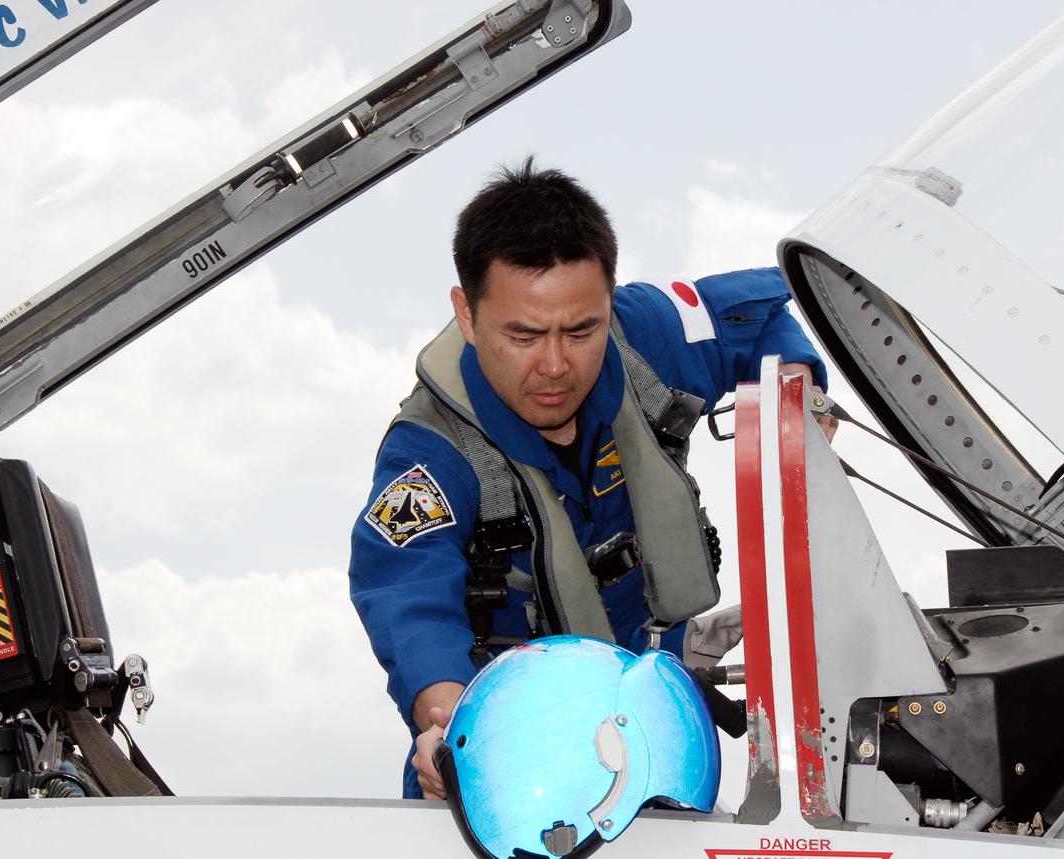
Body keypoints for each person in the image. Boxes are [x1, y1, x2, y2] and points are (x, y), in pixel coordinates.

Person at [349, 159, 828, 800]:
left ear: (609, 301)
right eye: (523, 334)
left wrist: (796, 399)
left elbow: (762, 313)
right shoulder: (430, 453)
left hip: (657, 738)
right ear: (466, 314)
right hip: (511, 766)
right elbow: (407, 597)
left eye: (581, 329)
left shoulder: (646, 338)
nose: (555, 365)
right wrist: (446, 722)